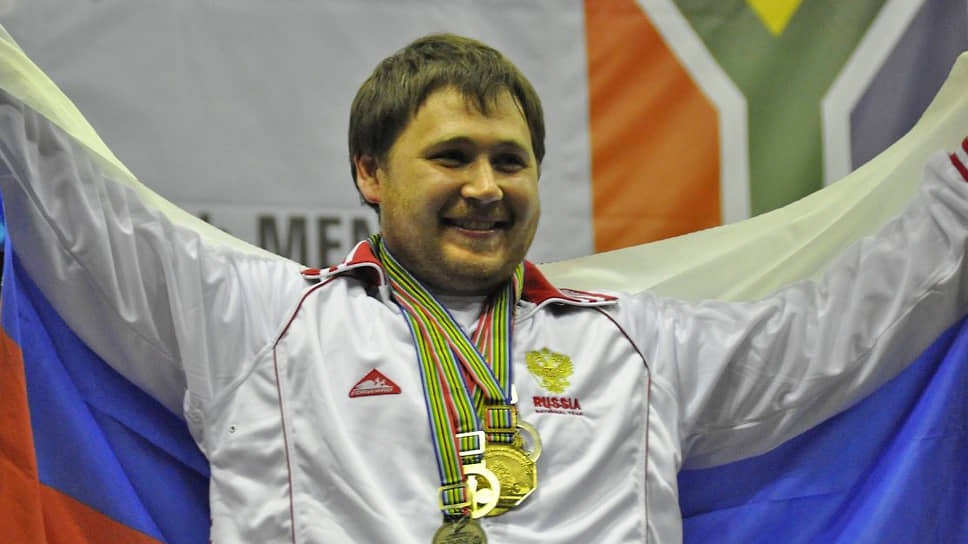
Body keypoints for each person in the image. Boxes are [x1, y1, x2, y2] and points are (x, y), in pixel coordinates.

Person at [1, 32, 967, 543]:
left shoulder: (637, 345)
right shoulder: (259, 320)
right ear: (370, 172)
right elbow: (74, 204)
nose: (486, 187)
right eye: (452, 156)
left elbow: (835, 329)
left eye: (511, 160)